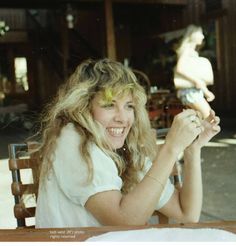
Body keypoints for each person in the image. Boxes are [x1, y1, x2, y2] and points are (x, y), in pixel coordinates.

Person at [35, 58, 220, 228]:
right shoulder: (72, 138)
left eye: (129, 106)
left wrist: (192, 150)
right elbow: (124, 222)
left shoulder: (124, 150)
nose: (123, 118)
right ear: (83, 108)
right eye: (109, 105)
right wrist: (171, 148)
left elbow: (186, 213)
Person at [174, 24, 215, 119]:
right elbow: (180, 68)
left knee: (200, 120)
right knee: (210, 119)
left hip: (191, 91)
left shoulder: (190, 50)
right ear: (193, 35)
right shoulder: (187, 50)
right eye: (200, 33)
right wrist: (198, 81)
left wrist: (205, 91)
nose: (203, 36)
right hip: (190, 92)